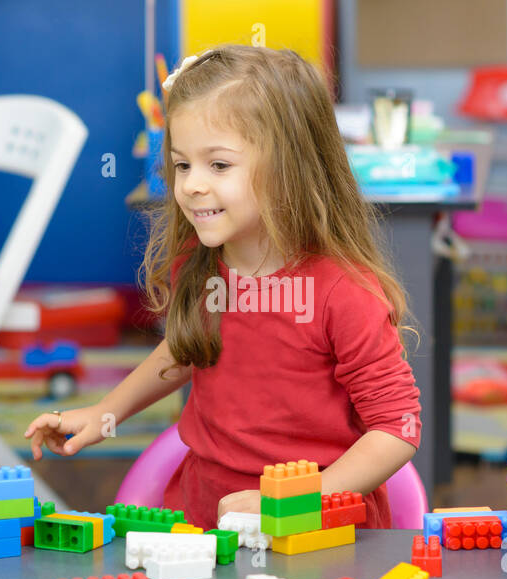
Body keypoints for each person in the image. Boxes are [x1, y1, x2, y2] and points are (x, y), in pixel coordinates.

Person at [27, 45, 421, 529]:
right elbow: (188, 347)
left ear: (289, 168)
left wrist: (293, 500)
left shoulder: (344, 293)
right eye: (181, 164)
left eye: (218, 165)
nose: (191, 184)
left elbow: (396, 428)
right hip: (206, 518)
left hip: (317, 532)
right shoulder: (199, 262)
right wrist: (105, 412)